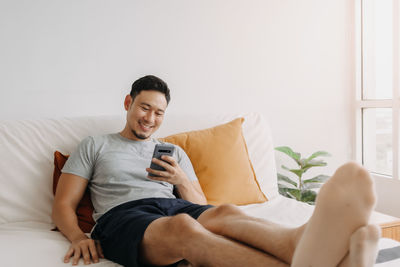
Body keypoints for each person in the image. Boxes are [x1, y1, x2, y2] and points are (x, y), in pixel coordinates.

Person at [52, 75, 381, 267]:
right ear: (128, 103)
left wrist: (179, 179)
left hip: (171, 205)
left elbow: (202, 203)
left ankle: (297, 243)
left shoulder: (174, 152)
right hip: (121, 218)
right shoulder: (94, 145)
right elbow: (64, 205)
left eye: (159, 113)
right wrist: (79, 237)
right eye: (144, 107)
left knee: (224, 212)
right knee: (183, 228)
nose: (150, 118)